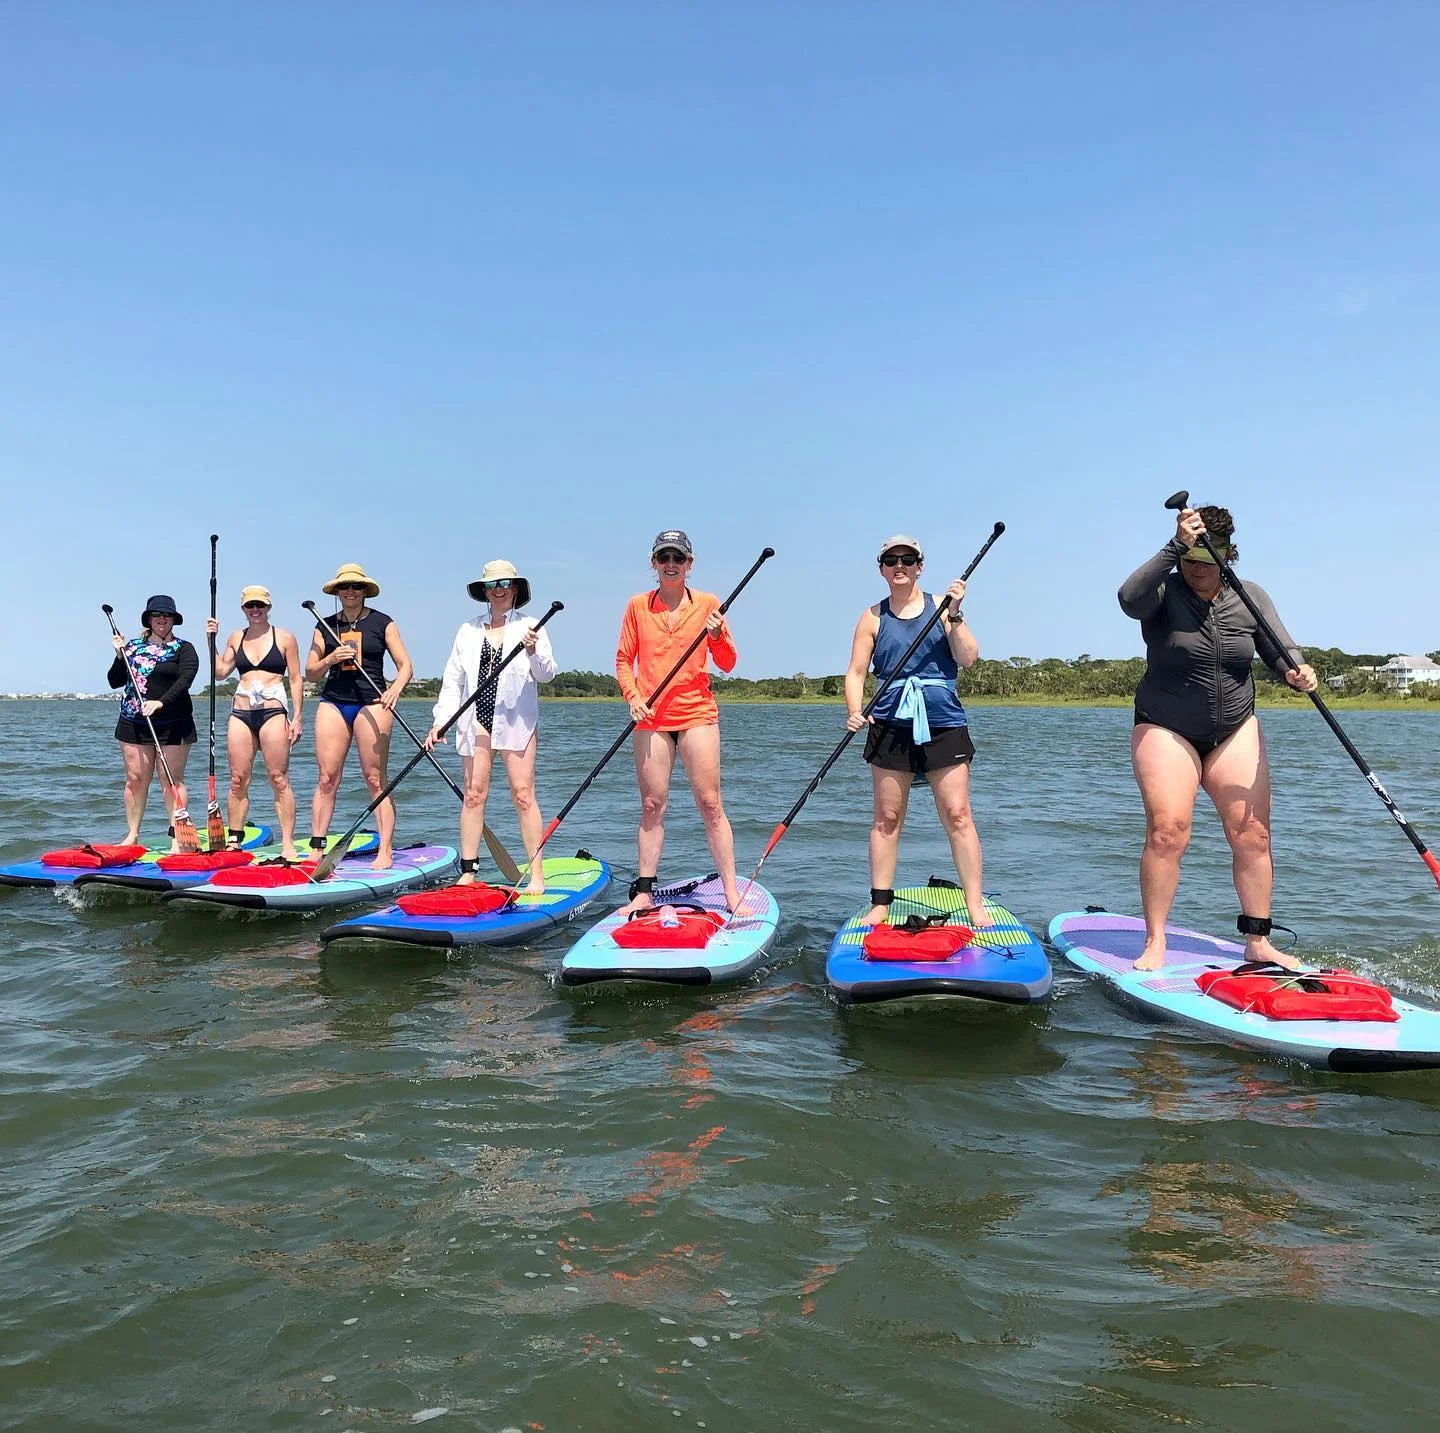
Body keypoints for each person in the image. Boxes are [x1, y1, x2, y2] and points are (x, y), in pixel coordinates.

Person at [1119, 503, 1318, 971]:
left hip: (1235, 727)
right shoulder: (1162, 592)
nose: (1198, 572)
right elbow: (1129, 599)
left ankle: (1258, 942)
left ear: (1228, 556)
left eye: (1208, 563)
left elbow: (1277, 646)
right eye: (1190, 561)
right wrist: (1175, 546)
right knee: (1168, 831)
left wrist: (1296, 668)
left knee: (1252, 834)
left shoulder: (1250, 595)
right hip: (1165, 726)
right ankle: (1154, 940)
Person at [843, 535, 987, 928]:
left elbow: (969, 658)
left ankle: (975, 904)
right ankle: (880, 902)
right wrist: (855, 711)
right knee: (886, 818)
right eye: (892, 560)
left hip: (943, 724)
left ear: (920, 566)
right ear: (882, 569)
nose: (900, 565)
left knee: (958, 814)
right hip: (889, 723)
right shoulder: (872, 616)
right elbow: (856, 672)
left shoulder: (942, 609)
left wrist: (955, 613)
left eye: (908, 559)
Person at [615, 530, 741, 912]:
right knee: (652, 804)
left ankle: (732, 891)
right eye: (664, 557)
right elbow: (624, 660)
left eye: (678, 558)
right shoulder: (637, 605)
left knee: (709, 802)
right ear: (653, 563)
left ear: (690, 563)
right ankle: (644, 891)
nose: (671, 564)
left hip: (696, 713)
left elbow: (729, 662)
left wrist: (718, 636)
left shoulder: (708, 603)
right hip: (651, 718)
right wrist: (633, 697)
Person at [423, 560, 556, 892]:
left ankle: (536, 874)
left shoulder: (532, 626)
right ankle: (469, 871)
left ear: (515, 589)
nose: (499, 590)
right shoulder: (467, 630)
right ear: (484, 591)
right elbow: (453, 681)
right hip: (474, 721)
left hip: (516, 722)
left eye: (505, 584)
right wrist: (440, 721)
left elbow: (546, 673)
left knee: (523, 795)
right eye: (492, 585)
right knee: (472, 794)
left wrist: (532, 650)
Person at [305, 563, 415, 870]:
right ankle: (317, 847)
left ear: (365, 591)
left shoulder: (383, 623)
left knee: (374, 777)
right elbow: (311, 673)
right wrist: (330, 657)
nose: (350, 591)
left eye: (355, 587)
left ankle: (386, 849)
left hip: (373, 701)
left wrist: (395, 690)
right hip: (334, 702)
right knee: (327, 777)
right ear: (337, 592)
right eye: (344, 587)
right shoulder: (323, 626)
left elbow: (405, 665)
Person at [204, 586, 305, 860]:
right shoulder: (236, 637)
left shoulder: (285, 637)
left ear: (268, 607)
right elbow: (221, 672)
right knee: (237, 780)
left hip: (273, 712)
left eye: (260, 605)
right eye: (250, 606)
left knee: (278, 778)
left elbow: (296, 678)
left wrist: (296, 717)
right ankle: (234, 840)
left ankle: (287, 842)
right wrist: (210, 641)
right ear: (243, 609)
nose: (255, 610)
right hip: (241, 712)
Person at [107, 594, 200, 850]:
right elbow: (115, 680)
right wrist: (118, 655)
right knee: (135, 779)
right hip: (133, 722)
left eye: (167, 616)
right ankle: (132, 835)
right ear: (149, 619)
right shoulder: (132, 648)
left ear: (173, 620)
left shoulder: (184, 648)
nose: (162, 620)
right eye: (157, 615)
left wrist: (161, 702)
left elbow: (185, 680)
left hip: (174, 723)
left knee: (171, 780)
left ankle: (177, 837)